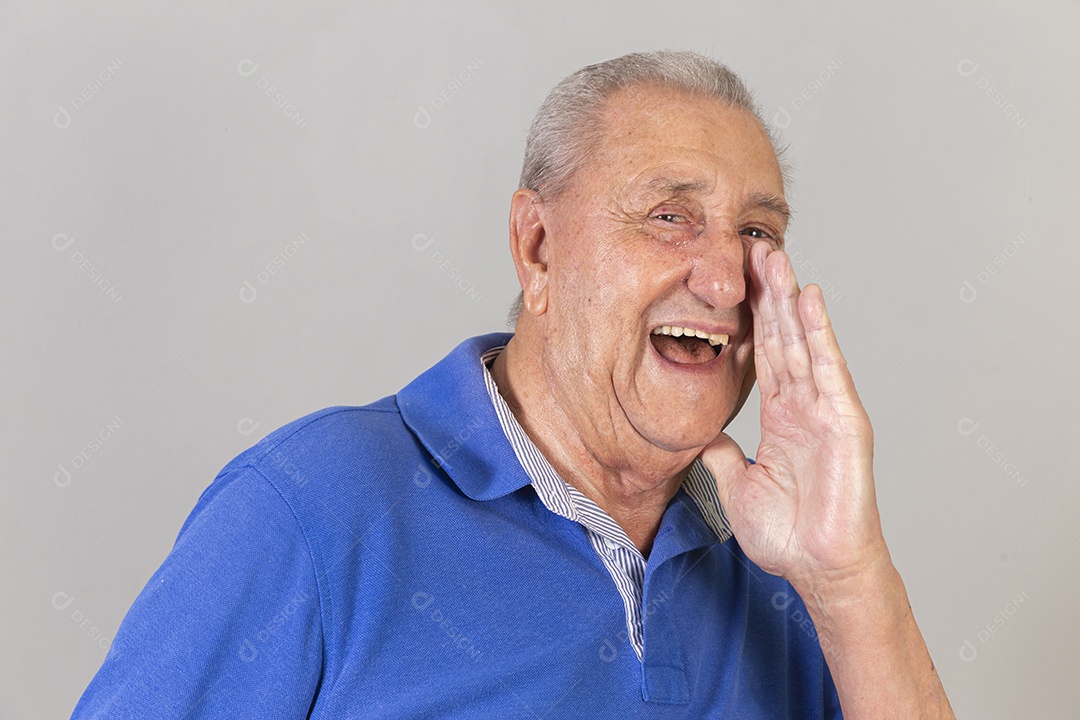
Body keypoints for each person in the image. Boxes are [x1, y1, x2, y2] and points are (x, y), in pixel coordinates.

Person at [72, 50, 954, 719]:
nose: (726, 280)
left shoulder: (786, 564)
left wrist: (846, 578)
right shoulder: (313, 508)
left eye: (758, 232)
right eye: (669, 217)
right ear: (538, 249)